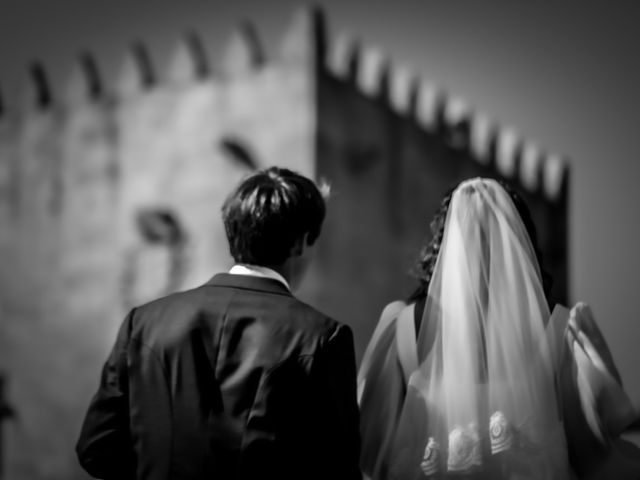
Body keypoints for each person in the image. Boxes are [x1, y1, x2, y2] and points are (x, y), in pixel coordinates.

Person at [76, 166, 362, 480]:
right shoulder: (322, 337)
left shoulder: (143, 323)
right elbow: (337, 468)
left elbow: (96, 449)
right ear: (300, 243)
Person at [358, 177, 640, 479]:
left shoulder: (402, 327)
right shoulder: (561, 332)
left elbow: (370, 447)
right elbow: (591, 452)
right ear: (520, 243)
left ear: (444, 244)